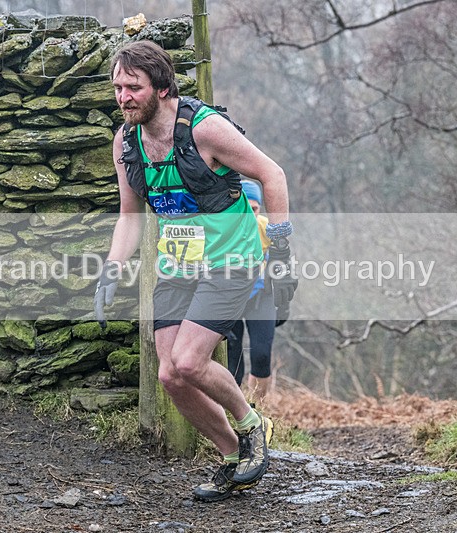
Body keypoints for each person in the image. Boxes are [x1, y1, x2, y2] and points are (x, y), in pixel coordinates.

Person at [94, 41, 297, 502]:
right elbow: (131, 215)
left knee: (189, 361)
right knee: (170, 376)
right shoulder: (126, 142)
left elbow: (273, 174)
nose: (123, 97)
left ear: (162, 88)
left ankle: (251, 425)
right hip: (178, 265)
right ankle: (233, 457)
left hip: (232, 259)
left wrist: (281, 247)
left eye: (133, 87)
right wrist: (110, 271)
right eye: (117, 88)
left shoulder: (206, 130)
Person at [226, 180, 276, 403]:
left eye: (254, 209)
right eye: (243, 207)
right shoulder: (223, 228)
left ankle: (258, 408)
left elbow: (282, 266)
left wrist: (283, 303)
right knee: (232, 362)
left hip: (260, 295)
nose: (248, 214)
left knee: (262, 355)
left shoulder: (266, 228)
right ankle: (234, 410)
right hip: (229, 297)